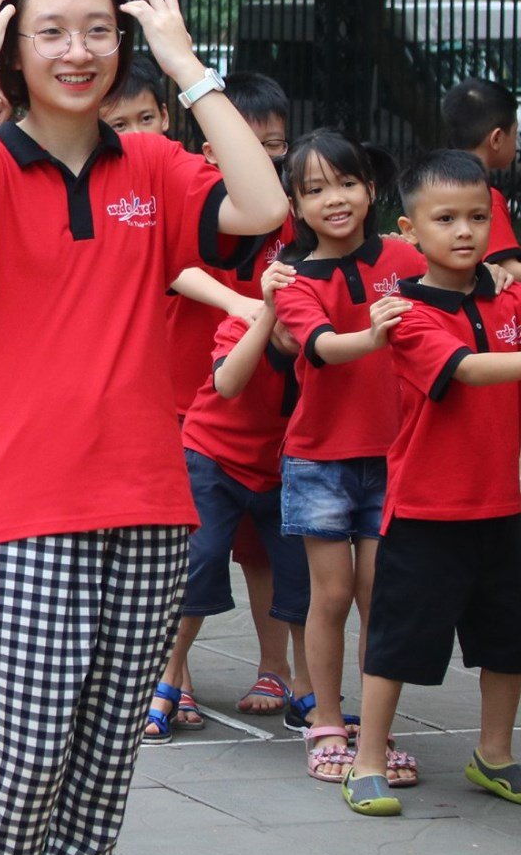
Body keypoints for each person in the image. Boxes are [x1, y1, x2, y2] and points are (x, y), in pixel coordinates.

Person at [0, 0, 287, 855]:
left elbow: (259, 209)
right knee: (24, 758)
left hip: (150, 508)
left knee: (101, 767)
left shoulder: (151, 167)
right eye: (50, 31)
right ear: (14, 49)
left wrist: (186, 65)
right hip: (22, 514)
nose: (76, 52)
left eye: (97, 30)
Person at [342, 150, 521, 816]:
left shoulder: (510, 297)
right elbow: (466, 370)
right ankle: (367, 761)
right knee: (397, 644)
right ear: (410, 230)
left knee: (508, 641)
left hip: (504, 504)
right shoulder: (402, 312)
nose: (465, 231)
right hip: (425, 509)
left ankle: (494, 755)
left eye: (477, 216)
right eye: (445, 218)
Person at [268, 130, 424, 788]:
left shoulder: (406, 257)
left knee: (378, 595)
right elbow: (323, 347)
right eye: (315, 189)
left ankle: (375, 733)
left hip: (396, 456)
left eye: (347, 183)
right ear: (296, 206)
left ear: (371, 189)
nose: (334, 199)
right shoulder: (295, 280)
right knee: (330, 595)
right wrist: (375, 332)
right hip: (321, 460)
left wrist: (496, 273)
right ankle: (327, 723)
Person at [149, 71, 300, 723]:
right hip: (186, 404)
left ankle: (276, 667)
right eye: (249, 144)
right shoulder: (193, 203)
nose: (264, 158)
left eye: (275, 146)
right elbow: (174, 265)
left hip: (266, 412)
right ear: (213, 147)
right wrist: (241, 302)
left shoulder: (290, 217)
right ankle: (170, 674)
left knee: (263, 549)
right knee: (188, 548)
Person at [151, 294, 311, 747]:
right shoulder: (240, 326)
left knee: (302, 577)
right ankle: (166, 679)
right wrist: (266, 318)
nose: (296, 327)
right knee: (199, 562)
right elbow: (227, 383)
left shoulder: (322, 345)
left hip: (281, 467)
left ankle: (306, 688)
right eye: (288, 316)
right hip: (214, 456)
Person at [441, 77, 521, 281]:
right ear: (497, 139)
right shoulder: (485, 197)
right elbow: (506, 269)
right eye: (515, 133)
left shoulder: (438, 189)